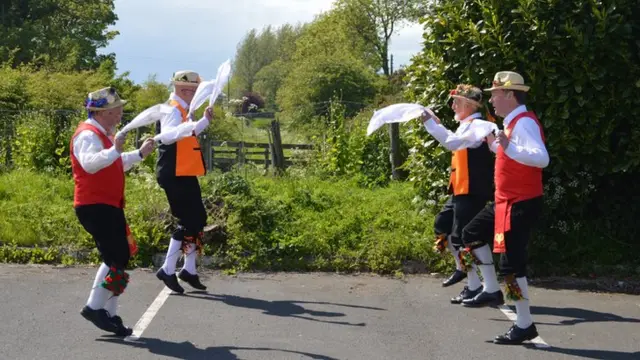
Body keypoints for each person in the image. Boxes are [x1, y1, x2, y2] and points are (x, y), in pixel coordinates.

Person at [462, 71, 549, 345]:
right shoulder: (511, 124)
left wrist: (508, 147)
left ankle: (524, 325)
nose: (492, 100)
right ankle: (490, 289)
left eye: (495, 94)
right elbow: (511, 154)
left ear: (511, 95)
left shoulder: (523, 124)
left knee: (511, 267)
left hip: (520, 204)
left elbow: (541, 159)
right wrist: (495, 145)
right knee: (471, 233)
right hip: (505, 201)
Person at [72, 87, 155, 336]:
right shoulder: (87, 135)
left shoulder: (103, 133)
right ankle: (94, 308)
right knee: (116, 257)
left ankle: (108, 312)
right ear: (102, 112)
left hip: (108, 205)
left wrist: (139, 154)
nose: (120, 113)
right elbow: (90, 164)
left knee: (120, 257)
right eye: (116, 110)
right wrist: (115, 150)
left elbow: (115, 162)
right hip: (94, 205)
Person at [422, 84, 496, 305]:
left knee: (464, 237)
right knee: (442, 224)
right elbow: (455, 139)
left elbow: (452, 142)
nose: (453, 105)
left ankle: (476, 284)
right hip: (460, 189)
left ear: (468, 105)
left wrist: (430, 123)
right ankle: (464, 272)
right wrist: (436, 123)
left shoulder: (480, 126)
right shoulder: (466, 126)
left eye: (456, 102)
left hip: (473, 190)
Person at [153, 70, 214, 294]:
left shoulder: (184, 110)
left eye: (192, 88)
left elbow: (188, 132)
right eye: (184, 87)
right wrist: (189, 124)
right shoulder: (171, 109)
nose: (189, 91)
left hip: (183, 171)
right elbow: (169, 135)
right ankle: (168, 269)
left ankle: (188, 269)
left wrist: (204, 121)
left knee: (197, 219)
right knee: (188, 220)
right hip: (173, 172)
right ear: (175, 87)